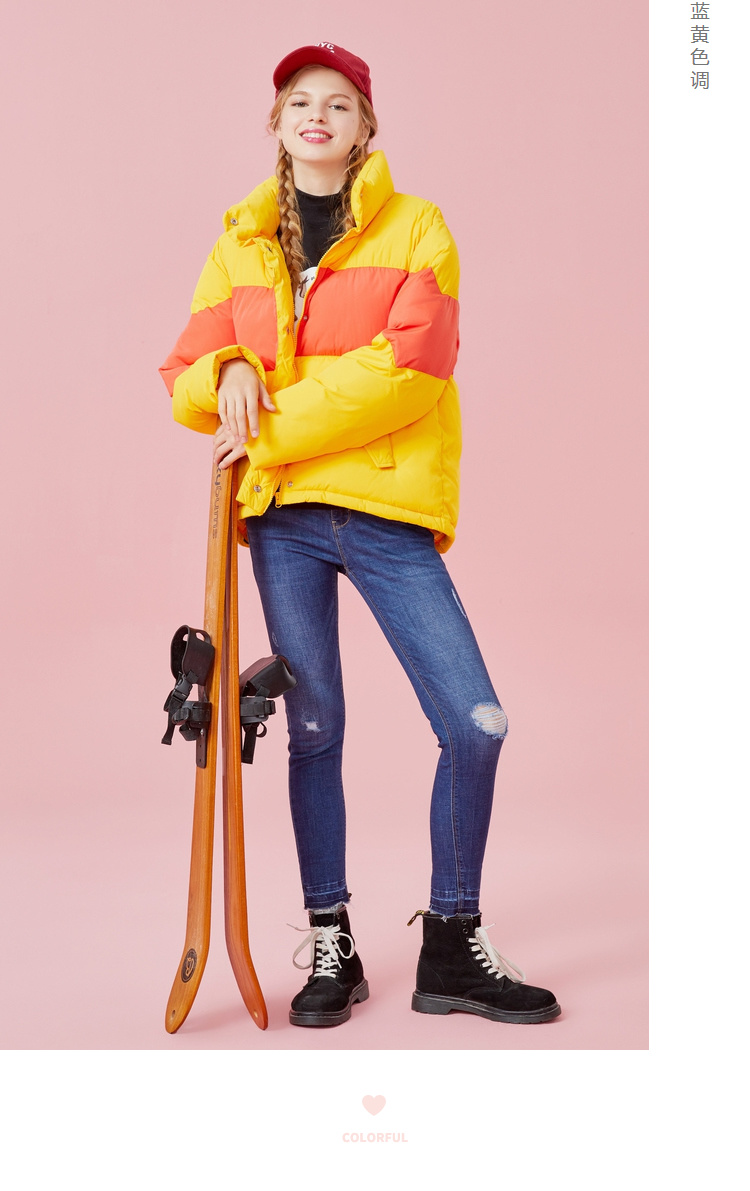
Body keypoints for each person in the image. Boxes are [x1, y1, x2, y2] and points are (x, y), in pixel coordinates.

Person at [160, 43, 560, 1028]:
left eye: (339, 103)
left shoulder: (420, 228)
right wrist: (228, 372)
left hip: (384, 509)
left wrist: (262, 413)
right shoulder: (239, 241)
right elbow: (184, 376)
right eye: (300, 100)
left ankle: (451, 944)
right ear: (278, 122)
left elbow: (411, 372)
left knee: (475, 721)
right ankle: (330, 941)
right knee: (314, 728)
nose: (318, 115)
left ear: (365, 126)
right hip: (284, 521)